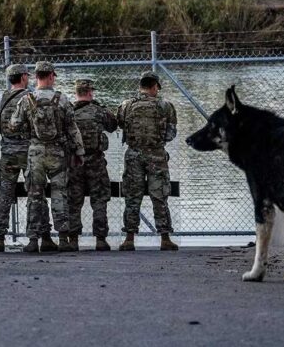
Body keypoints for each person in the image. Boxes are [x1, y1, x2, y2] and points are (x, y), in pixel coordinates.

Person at [10, 61, 85, 253]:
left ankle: (34, 239)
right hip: (58, 152)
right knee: (60, 194)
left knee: (35, 196)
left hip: (35, 152)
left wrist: (28, 130)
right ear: (51, 76)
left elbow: (14, 125)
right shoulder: (62, 99)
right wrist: (78, 151)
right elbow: (72, 128)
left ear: (36, 77)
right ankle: (63, 238)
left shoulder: (27, 99)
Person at [117, 71, 178, 251]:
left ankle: (129, 238)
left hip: (133, 155)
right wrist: (158, 143)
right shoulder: (165, 106)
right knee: (159, 196)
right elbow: (171, 133)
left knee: (132, 196)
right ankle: (165, 238)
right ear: (154, 87)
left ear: (140, 86)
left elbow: (121, 124)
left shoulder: (126, 105)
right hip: (156, 156)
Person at [67, 79, 117, 251]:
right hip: (95, 160)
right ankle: (101, 239)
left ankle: (72, 239)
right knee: (100, 199)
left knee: (74, 201)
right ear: (89, 93)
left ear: (76, 93)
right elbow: (113, 125)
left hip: (74, 161)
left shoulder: (69, 112)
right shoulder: (98, 111)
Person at [0, 64, 30, 252]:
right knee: (35, 194)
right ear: (23, 77)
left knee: (4, 195)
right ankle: (37, 236)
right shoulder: (31, 98)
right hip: (29, 151)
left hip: (8, 152)